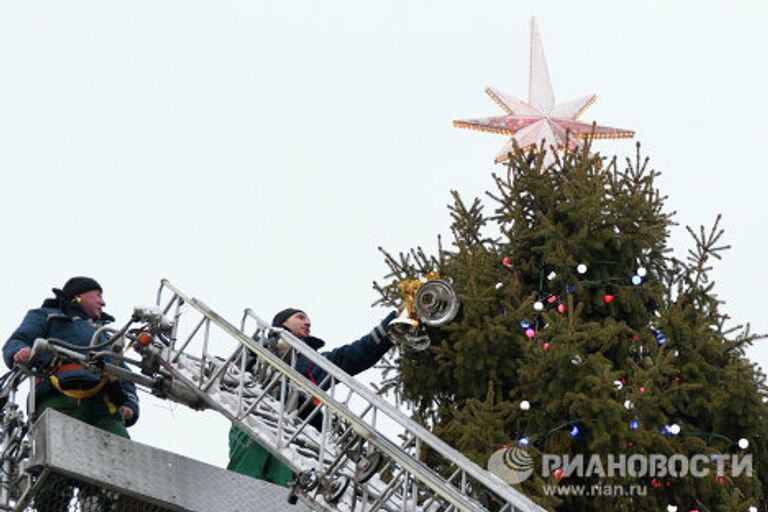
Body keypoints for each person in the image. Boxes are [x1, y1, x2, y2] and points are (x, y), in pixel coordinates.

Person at [227, 307, 396, 487]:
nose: (307, 322)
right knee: (243, 481)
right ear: (281, 323)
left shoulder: (312, 362)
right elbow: (231, 372)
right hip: (252, 421)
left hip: (295, 434)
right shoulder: (258, 346)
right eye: (300, 317)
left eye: (308, 320)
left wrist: (392, 323)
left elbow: (357, 353)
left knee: (285, 490)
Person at [3, 277, 140, 437]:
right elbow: (17, 340)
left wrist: (130, 403)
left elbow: (123, 372)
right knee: (61, 451)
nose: (103, 303)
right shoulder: (46, 315)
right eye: (98, 296)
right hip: (58, 397)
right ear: (79, 295)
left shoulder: (103, 335)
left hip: (104, 405)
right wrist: (19, 351)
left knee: (121, 452)